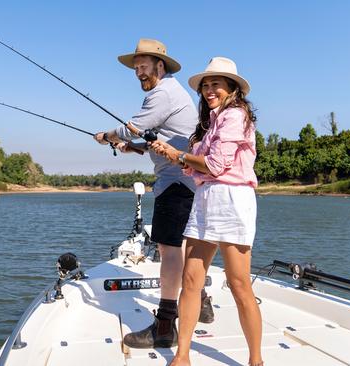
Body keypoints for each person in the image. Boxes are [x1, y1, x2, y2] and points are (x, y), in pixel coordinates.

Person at [93, 39, 214, 348]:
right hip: (187, 182)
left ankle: (164, 325)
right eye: (136, 69)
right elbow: (153, 137)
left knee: (169, 250)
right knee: (185, 247)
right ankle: (200, 301)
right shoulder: (173, 93)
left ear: (160, 66)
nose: (139, 73)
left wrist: (107, 136)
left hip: (176, 182)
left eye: (143, 66)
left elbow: (134, 126)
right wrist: (133, 148)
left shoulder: (163, 92)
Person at [150, 57, 263, 366]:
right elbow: (196, 170)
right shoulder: (212, 123)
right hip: (206, 200)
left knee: (239, 284)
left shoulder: (236, 116)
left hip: (231, 201)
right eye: (205, 85)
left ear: (233, 89)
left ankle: (256, 360)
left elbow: (215, 165)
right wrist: (172, 154)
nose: (209, 90)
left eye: (216, 84)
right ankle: (182, 355)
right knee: (191, 279)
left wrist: (180, 154)